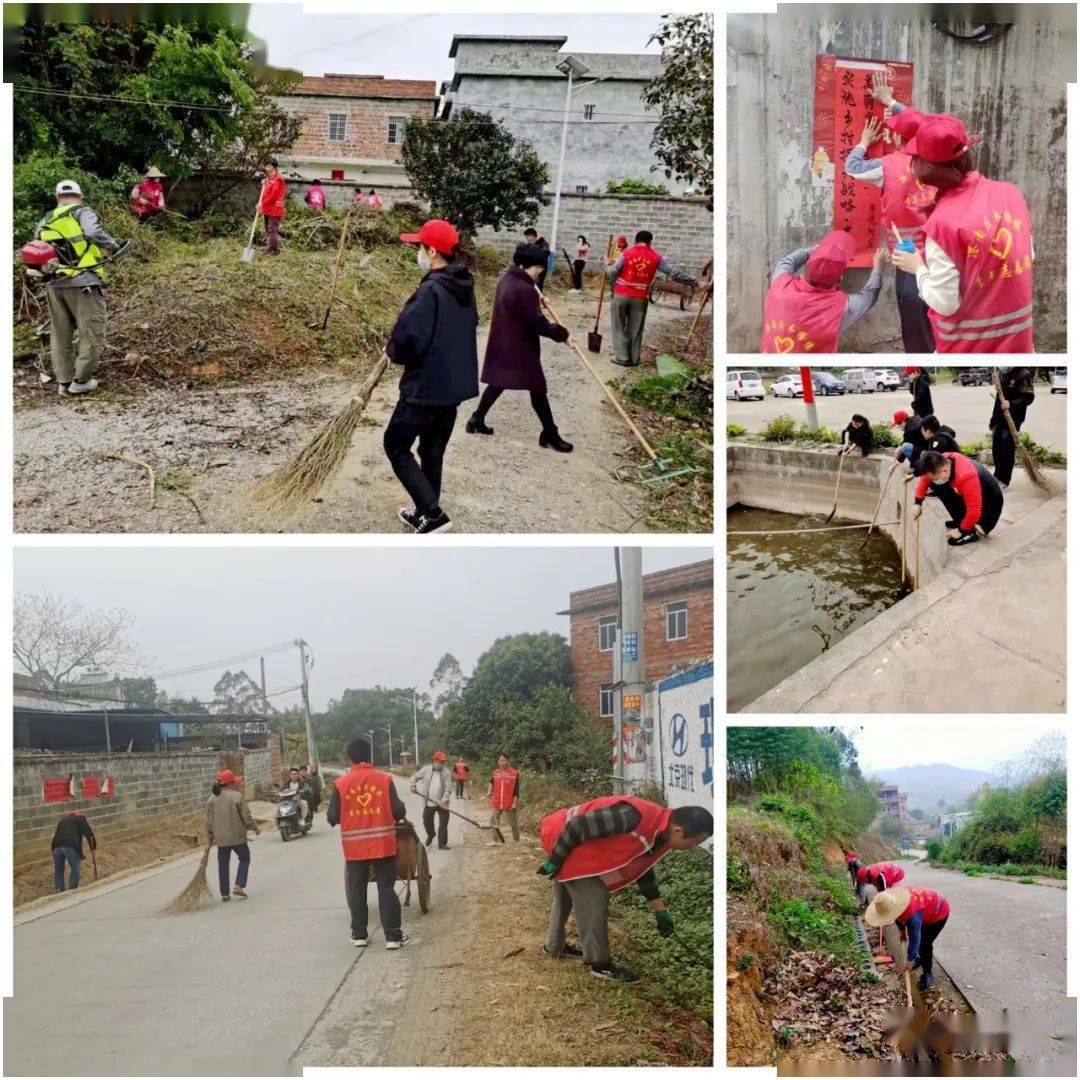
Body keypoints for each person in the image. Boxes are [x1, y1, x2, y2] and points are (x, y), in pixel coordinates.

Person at [890, 113, 1034, 352]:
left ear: (923, 167)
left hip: (968, 348)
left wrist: (918, 268)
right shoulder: (1011, 194)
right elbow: (1027, 255)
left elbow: (945, 304)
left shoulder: (943, 223)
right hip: (1020, 345)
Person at [538, 796, 713, 982]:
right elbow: (578, 825)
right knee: (595, 896)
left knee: (566, 893)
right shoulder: (635, 816)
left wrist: (660, 912)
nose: (693, 847)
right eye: (696, 842)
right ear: (680, 831)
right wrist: (554, 861)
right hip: (562, 837)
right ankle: (600, 965)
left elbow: (643, 872)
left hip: (575, 844)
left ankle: (553, 946)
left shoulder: (660, 834)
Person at [386, 218, 479, 535]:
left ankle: (433, 514)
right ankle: (425, 513)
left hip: (425, 389)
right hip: (451, 390)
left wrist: (393, 350)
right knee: (431, 451)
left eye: (419, 247)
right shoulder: (463, 287)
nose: (418, 253)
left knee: (396, 445)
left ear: (432, 251)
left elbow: (408, 340)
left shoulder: (431, 291)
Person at [845, 77, 936, 352]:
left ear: (898, 137)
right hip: (941, 253)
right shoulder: (940, 161)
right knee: (940, 315)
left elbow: (852, 167)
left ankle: (921, 360)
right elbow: (928, 126)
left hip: (909, 259)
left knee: (914, 318)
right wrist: (892, 103)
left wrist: (862, 141)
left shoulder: (888, 165)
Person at [466, 243, 573, 452]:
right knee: (537, 389)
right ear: (529, 265)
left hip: (505, 341)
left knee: (499, 381)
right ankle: (550, 433)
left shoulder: (508, 279)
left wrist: (539, 300)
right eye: (538, 268)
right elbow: (538, 323)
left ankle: (476, 420)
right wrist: (562, 334)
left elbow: (520, 310)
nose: (539, 272)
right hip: (520, 347)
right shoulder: (524, 289)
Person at [35, 179, 121, 396]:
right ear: (80, 197)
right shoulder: (82, 212)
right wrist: (112, 244)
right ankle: (81, 381)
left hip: (54, 285)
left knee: (60, 333)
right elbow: (93, 233)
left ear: (57, 198)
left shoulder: (46, 218)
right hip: (83, 283)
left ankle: (63, 382)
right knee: (91, 331)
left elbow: (37, 246)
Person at [327, 737, 409, 949]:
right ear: (370, 756)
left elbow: (332, 816)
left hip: (354, 848)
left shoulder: (341, 784)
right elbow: (399, 810)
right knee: (386, 888)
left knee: (357, 889)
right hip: (383, 845)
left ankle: (359, 934)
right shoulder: (384, 780)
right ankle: (393, 936)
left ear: (350, 758)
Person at [761, 231, 886, 354]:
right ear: (840, 278)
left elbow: (787, 261)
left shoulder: (780, 285)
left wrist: (814, 251)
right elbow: (871, 293)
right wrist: (878, 267)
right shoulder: (841, 309)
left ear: (807, 267)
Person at [607, 230, 702, 366]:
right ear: (650, 242)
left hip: (621, 294)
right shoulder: (655, 257)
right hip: (640, 298)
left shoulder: (626, 253)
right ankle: (634, 359)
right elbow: (673, 273)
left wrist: (606, 264)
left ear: (635, 240)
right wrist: (696, 282)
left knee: (619, 326)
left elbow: (612, 272)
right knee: (636, 328)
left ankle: (622, 357)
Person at [864, 886, 950, 991]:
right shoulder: (895, 901)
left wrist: (909, 961)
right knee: (919, 943)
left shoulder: (912, 915)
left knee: (924, 944)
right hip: (923, 908)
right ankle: (919, 958)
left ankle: (927, 973)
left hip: (938, 911)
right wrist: (902, 931)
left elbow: (915, 938)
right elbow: (897, 917)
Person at [914, 450, 1004, 545]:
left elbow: (974, 511)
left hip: (990, 506)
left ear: (944, 470)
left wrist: (960, 530)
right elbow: (926, 478)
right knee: (940, 488)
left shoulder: (966, 476)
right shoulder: (943, 460)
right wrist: (918, 502)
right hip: (976, 493)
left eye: (936, 478)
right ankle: (961, 521)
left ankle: (970, 533)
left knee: (942, 488)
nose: (934, 480)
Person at [206, 769, 259, 901]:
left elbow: (208, 821)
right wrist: (254, 827)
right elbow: (246, 817)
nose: (236, 784)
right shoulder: (237, 796)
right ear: (230, 783)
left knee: (223, 863)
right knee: (245, 857)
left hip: (221, 839)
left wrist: (210, 837)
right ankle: (239, 884)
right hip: (237, 837)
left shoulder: (211, 799)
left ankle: (224, 893)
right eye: (234, 782)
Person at [989, 366, 1035, 490]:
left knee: (1007, 449)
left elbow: (1029, 397)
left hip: (1012, 419)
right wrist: (993, 419)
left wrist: (1012, 403)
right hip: (999, 418)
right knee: (997, 449)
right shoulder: (1004, 375)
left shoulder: (1023, 374)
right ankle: (997, 476)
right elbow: (999, 398)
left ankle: (1004, 480)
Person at [411, 749, 453, 850]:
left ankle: (442, 843)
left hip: (443, 802)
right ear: (434, 761)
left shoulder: (446, 772)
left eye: (443, 762)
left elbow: (447, 789)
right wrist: (413, 785)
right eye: (440, 762)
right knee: (427, 820)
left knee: (443, 823)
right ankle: (431, 834)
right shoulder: (426, 770)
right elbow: (414, 777)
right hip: (429, 802)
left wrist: (443, 801)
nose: (442, 764)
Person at [50, 809, 96, 892]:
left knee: (59, 869)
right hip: (70, 846)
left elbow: (57, 835)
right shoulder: (80, 818)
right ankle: (72, 891)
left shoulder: (62, 821)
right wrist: (93, 848)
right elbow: (88, 833)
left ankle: (60, 890)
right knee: (75, 868)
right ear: (76, 815)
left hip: (56, 846)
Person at [487, 754, 520, 841]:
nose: (501, 762)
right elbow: (491, 782)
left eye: (503, 760)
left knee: (513, 823)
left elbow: (516, 790)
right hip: (497, 801)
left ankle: (516, 840)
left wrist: (514, 803)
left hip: (509, 802)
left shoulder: (514, 773)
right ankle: (495, 840)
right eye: (500, 761)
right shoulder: (495, 772)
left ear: (508, 761)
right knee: (494, 821)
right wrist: (489, 791)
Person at [259, 156, 286, 255]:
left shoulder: (278, 179)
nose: (268, 168)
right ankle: (270, 247)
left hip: (275, 208)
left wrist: (262, 203)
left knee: (272, 229)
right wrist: (265, 182)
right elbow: (266, 190)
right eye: (266, 166)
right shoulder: (269, 179)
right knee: (268, 228)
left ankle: (272, 250)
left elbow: (273, 196)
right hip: (267, 208)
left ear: (275, 167)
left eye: (270, 166)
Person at [523, 227, 550, 292]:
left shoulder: (544, 244)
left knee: (538, 286)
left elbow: (543, 257)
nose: (527, 239)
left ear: (534, 236)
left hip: (540, 268)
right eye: (526, 237)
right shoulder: (529, 245)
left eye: (528, 237)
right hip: (530, 269)